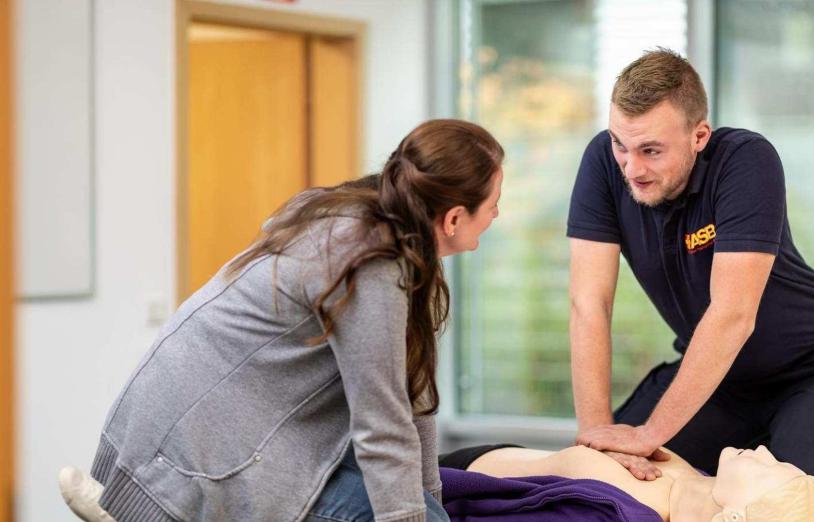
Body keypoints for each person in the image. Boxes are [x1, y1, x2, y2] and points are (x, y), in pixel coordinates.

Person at [84, 119, 504, 522]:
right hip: (189, 462)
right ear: (453, 218)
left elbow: (414, 399)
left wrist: (431, 502)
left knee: (418, 509)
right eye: (493, 204)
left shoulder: (373, 231)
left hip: (177, 437)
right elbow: (383, 425)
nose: (497, 214)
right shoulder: (369, 260)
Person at [567, 48, 814, 521]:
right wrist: (598, 442)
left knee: (813, 506)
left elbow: (733, 314)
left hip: (812, 370)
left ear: (698, 136)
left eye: (651, 150)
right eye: (621, 145)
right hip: (717, 380)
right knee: (600, 487)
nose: (631, 168)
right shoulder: (602, 162)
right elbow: (589, 303)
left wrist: (649, 435)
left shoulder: (745, 160)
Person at [438, 443, 814, 521]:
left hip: (450, 481)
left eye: (770, 468)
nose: (764, 449)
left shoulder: (617, 516)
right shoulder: (700, 483)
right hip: (492, 455)